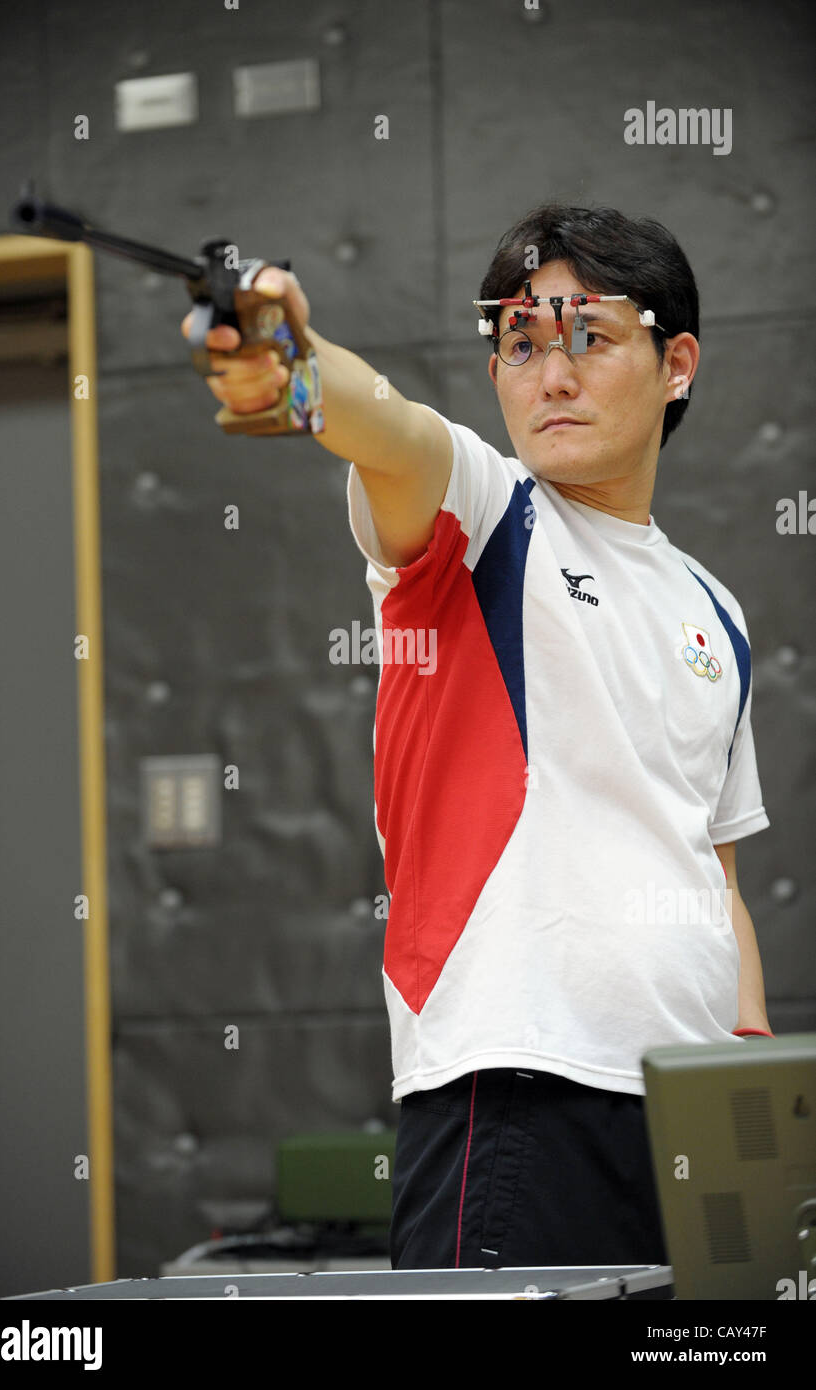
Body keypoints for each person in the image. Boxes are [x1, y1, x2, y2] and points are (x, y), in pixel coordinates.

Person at [182, 204, 773, 1272]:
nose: (550, 373)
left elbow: (713, 872)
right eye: (517, 340)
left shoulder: (716, 611)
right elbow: (390, 427)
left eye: (588, 336)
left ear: (675, 361)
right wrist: (296, 365)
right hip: (511, 1100)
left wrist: (749, 1090)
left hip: (689, 1128)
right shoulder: (483, 514)